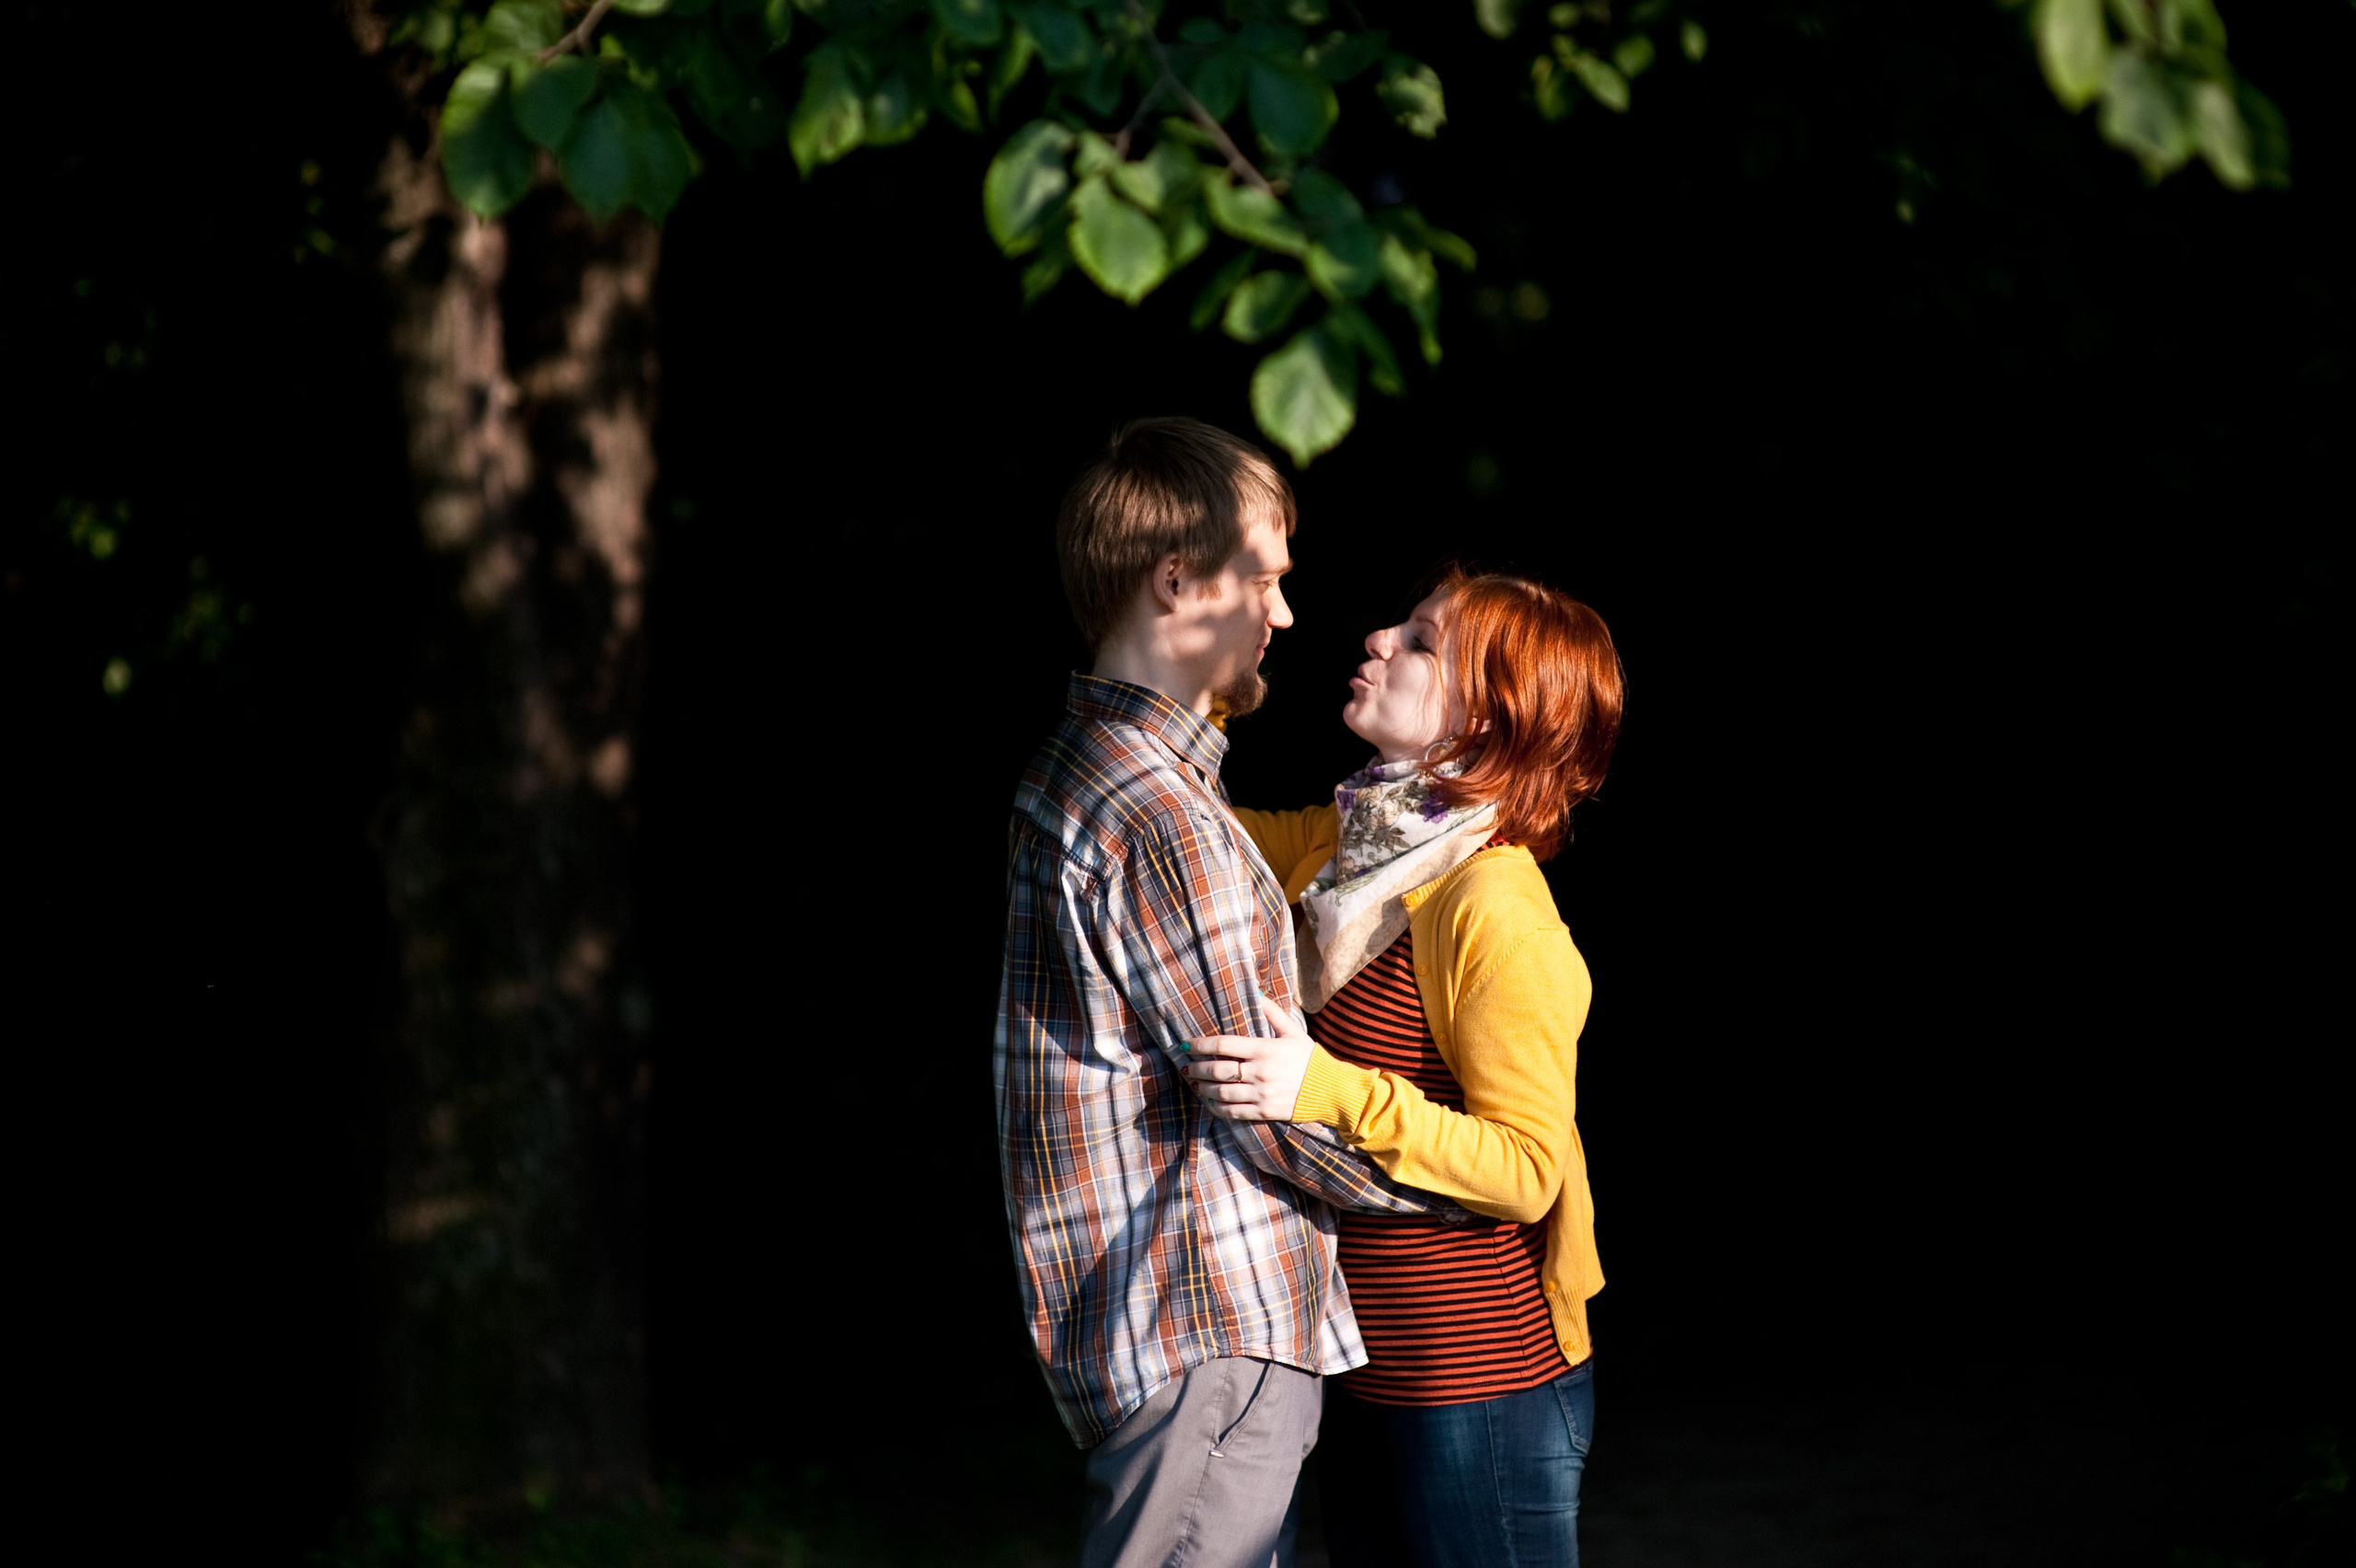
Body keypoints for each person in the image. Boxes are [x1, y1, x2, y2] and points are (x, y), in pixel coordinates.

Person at [996, 418, 1464, 1568]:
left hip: (1161, 1326)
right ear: (1176, 581)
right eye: (1264, 580)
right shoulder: (1160, 817)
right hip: (1207, 1316)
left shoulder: (1080, 767)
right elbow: (1269, 1102)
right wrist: (1471, 1190)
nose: (1285, 614)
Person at [1184, 569, 1625, 1568]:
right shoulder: (1351, 849)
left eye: (1422, 642)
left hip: (1484, 1388)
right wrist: (1197, 684)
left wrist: (1324, 1089)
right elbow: (1194, 829)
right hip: (1362, 1368)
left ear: (1489, 719)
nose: (1380, 637)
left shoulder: (1495, 908)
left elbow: (1526, 1169)